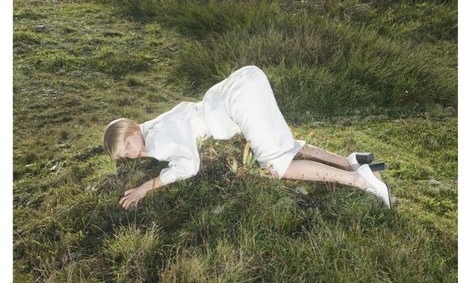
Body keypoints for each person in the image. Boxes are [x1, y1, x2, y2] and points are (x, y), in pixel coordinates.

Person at [103, 65, 392, 211]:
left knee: (278, 166)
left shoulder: (157, 141)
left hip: (238, 101)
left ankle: (361, 180)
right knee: (283, 144)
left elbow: (188, 167)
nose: (131, 154)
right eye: (124, 155)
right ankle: (349, 162)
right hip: (245, 79)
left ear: (131, 130)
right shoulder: (151, 125)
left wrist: (146, 187)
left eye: (128, 145)